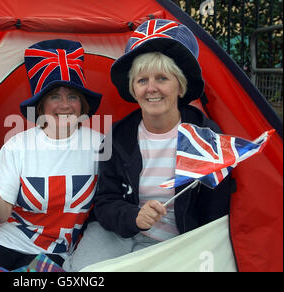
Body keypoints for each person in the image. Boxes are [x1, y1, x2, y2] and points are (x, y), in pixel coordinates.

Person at [62, 19, 233, 271]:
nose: (151, 88)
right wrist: (135, 217)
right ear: (133, 88)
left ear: (179, 85)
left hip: (174, 241)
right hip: (116, 233)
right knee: (85, 274)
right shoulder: (119, 135)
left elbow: (216, 216)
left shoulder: (206, 139)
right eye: (142, 80)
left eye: (162, 78)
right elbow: (106, 201)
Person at [0, 39, 103, 272]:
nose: (65, 105)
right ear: (41, 105)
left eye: (72, 96)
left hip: (51, 253)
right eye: (55, 96)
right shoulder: (17, 146)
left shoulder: (100, 146)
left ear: (82, 104)